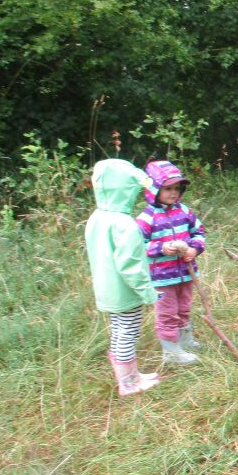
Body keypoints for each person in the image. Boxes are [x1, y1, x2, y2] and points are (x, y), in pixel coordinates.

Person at [84, 159, 161, 397]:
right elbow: (130, 265)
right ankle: (128, 383)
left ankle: (130, 375)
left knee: (119, 331)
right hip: (125, 291)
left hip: (107, 289)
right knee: (128, 332)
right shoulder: (124, 224)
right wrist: (147, 292)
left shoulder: (98, 217)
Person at [136, 160, 206, 365]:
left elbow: (199, 232)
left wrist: (194, 248)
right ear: (154, 189)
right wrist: (161, 249)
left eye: (177, 188)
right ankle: (171, 350)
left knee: (184, 306)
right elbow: (138, 246)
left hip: (186, 271)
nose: (173, 193)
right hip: (162, 277)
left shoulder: (184, 211)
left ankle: (185, 338)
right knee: (167, 311)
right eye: (167, 188)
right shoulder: (146, 218)